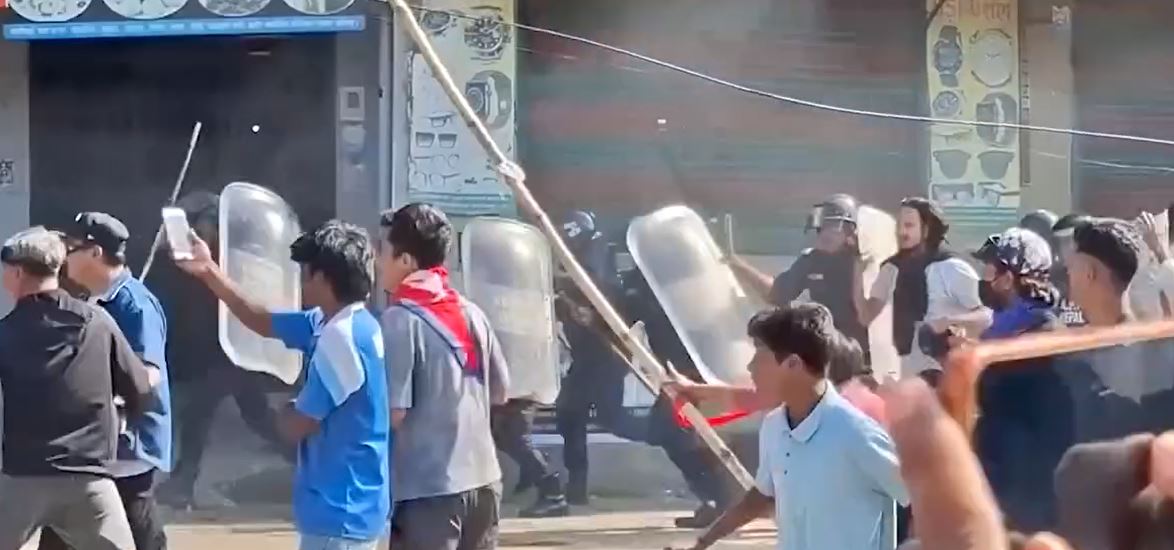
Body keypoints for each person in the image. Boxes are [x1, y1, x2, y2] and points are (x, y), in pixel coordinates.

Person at [173, 220, 390, 550]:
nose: (301, 282)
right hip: (354, 505)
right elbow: (261, 320)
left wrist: (281, 411)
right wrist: (209, 271)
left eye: (306, 273)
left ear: (323, 279)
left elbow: (296, 425)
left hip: (339, 514)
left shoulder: (341, 339)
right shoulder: (349, 322)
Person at [680, 304, 908, 550]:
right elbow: (763, 495)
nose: (750, 367)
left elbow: (919, 499)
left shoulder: (855, 432)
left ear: (793, 364)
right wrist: (703, 543)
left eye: (760, 357)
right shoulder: (774, 426)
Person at [0, 227, 155, 550]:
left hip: (21, 479)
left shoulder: (6, 333)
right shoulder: (98, 322)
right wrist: (121, 417)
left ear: (17, 273)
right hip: (89, 481)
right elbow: (140, 387)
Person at [38, 213, 173, 550]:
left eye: (71, 249)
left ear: (95, 253)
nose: (65, 258)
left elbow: (149, 375)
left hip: (128, 446)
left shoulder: (134, 305)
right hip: (96, 447)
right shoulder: (95, 301)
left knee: (137, 531)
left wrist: (101, 400)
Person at [379, 204, 509, 550]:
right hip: (484, 482)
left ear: (406, 261)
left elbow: (393, 413)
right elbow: (501, 392)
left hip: (429, 493)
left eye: (383, 252)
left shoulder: (399, 320)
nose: (378, 262)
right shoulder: (472, 312)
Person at [155, 192, 290, 510]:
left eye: (204, 227)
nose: (199, 233)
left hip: (232, 353)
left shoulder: (235, 259)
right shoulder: (202, 259)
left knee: (202, 416)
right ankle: (299, 454)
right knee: (252, 416)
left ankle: (182, 484)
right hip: (215, 352)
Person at [969, 227, 1073, 533]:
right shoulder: (1008, 329)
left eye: (991, 268)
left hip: (1027, 489)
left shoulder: (1041, 336)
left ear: (1009, 277)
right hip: (1004, 479)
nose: (984, 278)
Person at [853, 197, 990, 380]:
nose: (901, 232)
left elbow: (986, 316)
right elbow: (866, 317)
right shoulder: (890, 269)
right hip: (904, 371)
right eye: (899, 225)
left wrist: (950, 321)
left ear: (926, 229)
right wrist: (859, 276)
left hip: (943, 368)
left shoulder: (952, 267)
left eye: (909, 225)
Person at [552, 210, 630, 505]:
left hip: (606, 356)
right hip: (586, 358)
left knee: (614, 421)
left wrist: (590, 314)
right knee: (569, 415)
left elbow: (610, 299)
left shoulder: (597, 262)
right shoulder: (574, 265)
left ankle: (675, 436)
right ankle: (577, 486)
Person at [728, 194, 869, 353]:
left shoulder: (866, 264)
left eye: (834, 226)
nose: (826, 232)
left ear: (851, 232)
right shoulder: (811, 261)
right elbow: (777, 293)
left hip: (862, 354)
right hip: (827, 352)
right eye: (823, 225)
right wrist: (738, 265)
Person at [1049, 213, 1091, 326]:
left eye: (1069, 242)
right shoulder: (1052, 281)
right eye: (1062, 243)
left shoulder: (1104, 277)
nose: (1066, 248)